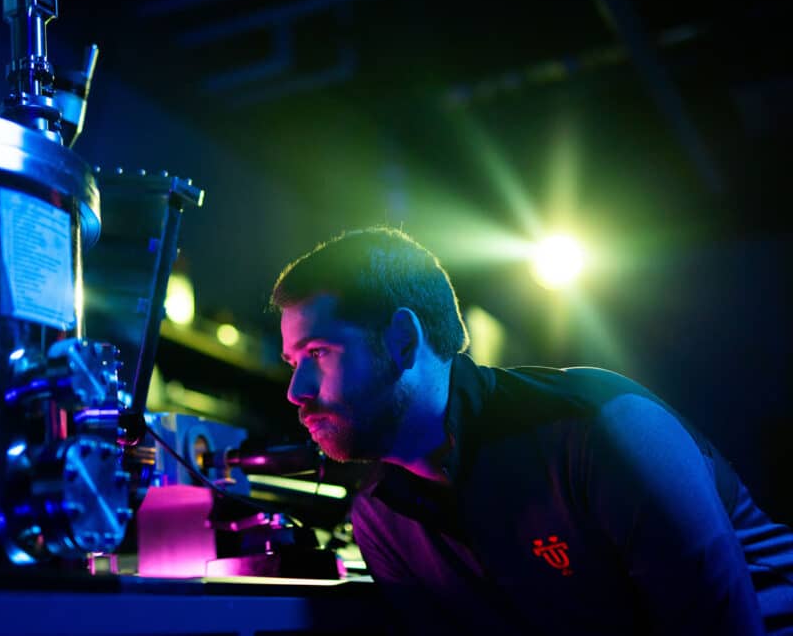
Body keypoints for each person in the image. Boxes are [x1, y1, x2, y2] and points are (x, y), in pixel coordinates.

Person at [270, 226, 793, 635]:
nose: (297, 390)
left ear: (404, 340)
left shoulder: (600, 430)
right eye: (294, 361)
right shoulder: (380, 518)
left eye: (318, 353)